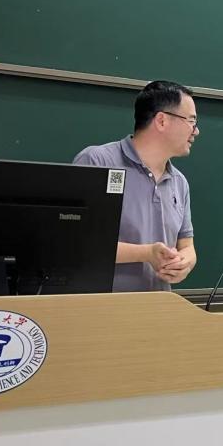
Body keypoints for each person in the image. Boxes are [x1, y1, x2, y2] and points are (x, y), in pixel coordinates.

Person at [73, 80, 198, 291]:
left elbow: (187, 245)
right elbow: (76, 241)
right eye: (191, 121)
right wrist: (146, 253)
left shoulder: (179, 182)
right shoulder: (98, 161)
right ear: (162, 121)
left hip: (157, 305)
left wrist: (184, 263)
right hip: (100, 304)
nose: (196, 131)